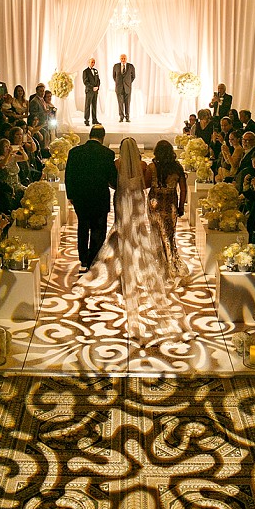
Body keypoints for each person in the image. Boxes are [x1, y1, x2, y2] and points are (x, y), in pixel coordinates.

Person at [79, 138, 187, 340]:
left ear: (121, 149)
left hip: (121, 199)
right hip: (137, 201)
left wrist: (122, 187)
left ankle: (119, 267)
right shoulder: (144, 165)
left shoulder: (116, 164)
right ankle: (138, 265)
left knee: (121, 230)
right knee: (137, 231)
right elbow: (145, 185)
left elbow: (112, 182)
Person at [64, 124, 118, 272]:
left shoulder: (75, 152)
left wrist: (71, 195)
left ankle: (83, 259)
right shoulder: (107, 154)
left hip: (80, 197)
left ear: (89, 135)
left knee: (83, 227)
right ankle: (94, 259)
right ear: (103, 137)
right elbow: (111, 178)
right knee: (98, 229)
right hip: (99, 196)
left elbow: (69, 176)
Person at [144, 140, 188, 283]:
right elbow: (183, 189)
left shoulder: (152, 167)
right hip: (170, 203)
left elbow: (145, 184)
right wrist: (181, 206)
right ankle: (169, 263)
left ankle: (158, 264)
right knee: (169, 235)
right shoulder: (177, 168)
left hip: (154, 203)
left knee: (155, 232)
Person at [112, 54, 136, 122]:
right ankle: (121, 117)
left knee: (127, 103)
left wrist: (127, 83)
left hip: (127, 88)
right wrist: (118, 83)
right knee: (120, 103)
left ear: (126, 59)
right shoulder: (116, 66)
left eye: (124, 58)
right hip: (119, 88)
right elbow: (114, 76)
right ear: (120, 59)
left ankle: (127, 117)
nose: (123, 59)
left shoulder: (131, 66)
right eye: (122, 58)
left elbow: (133, 76)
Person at [82, 57, 100, 126]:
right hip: (89, 91)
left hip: (95, 91)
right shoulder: (85, 71)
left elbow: (98, 80)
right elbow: (85, 81)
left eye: (94, 62)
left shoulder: (95, 70)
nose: (93, 63)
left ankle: (94, 120)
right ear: (88, 63)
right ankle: (86, 120)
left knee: (94, 105)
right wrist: (92, 87)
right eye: (92, 62)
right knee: (87, 106)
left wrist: (97, 87)